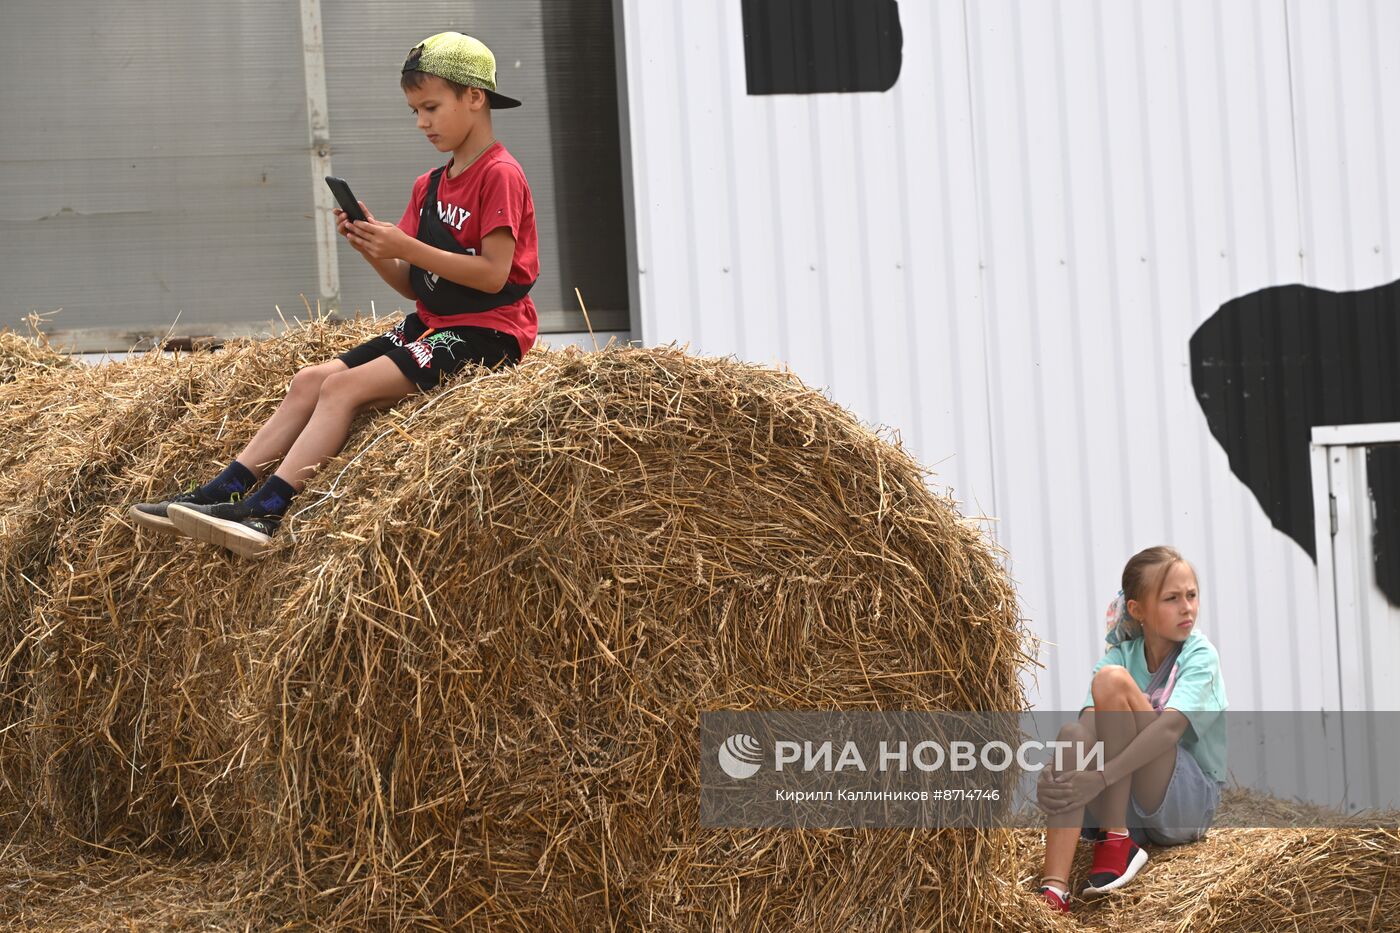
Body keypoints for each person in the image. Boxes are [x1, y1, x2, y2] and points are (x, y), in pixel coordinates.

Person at [129, 32, 539, 557]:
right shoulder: (429, 184)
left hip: (488, 332)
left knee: (342, 390)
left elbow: (493, 275)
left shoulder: (499, 174)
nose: (422, 123)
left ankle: (268, 511)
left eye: (432, 107)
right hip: (433, 322)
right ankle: (222, 490)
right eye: (415, 110)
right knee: (311, 380)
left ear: (475, 98)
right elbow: (412, 283)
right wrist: (373, 246)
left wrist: (406, 244)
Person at [1033, 546, 1228, 913]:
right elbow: (1088, 729)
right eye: (1171, 599)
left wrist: (1102, 777)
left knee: (1113, 683)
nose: (1187, 607)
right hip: (1133, 804)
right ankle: (1054, 890)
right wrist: (1057, 769)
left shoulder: (1199, 655)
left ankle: (1116, 839)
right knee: (1073, 736)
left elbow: (1169, 731)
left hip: (1183, 803)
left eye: (1191, 595)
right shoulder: (1121, 655)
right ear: (1137, 610)